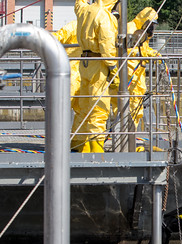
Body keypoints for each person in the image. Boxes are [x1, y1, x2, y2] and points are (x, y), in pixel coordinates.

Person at [74, 0, 120, 153]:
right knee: (99, 107)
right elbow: (106, 43)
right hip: (98, 63)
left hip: (84, 62)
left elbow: (78, 4)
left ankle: (82, 145)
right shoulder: (103, 14)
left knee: (85, 107)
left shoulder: (84, 10)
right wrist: (113, 67)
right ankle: (97, 149)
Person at [110, 7, 160, 135]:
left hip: (137, 79)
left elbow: (143, 50)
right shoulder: (130, 29)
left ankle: (130, 136)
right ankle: (124, 137)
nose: (152, 29)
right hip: (130, 78)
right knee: (127, 108)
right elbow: (129, 53)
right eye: (151, 25)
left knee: (135, 110)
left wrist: (154, 55)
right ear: (145, 21)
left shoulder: (141, 33)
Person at [52, 20, 83, 152]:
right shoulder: (75, 25)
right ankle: (57, 143)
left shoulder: (84, 24)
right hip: (70, 72)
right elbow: (55, 38)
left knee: (83, 110)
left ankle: (77, 141)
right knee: (62, 109)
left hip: (83, 74)